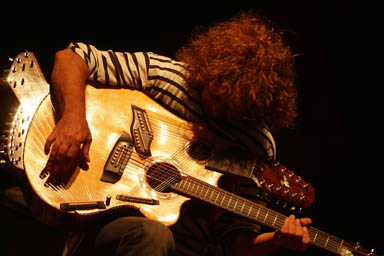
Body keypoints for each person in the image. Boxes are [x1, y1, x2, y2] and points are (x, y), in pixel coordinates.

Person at [44, 10, 312, 256]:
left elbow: (234, 241)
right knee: (152, 236)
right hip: (109, 229)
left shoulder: (254, 145)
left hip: (186, 251)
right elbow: (72, 57)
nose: (216, 110)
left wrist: (277, 239)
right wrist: (73, 118)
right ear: (209, 68)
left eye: (231, 109)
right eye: (215, 94)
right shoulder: (166, 75)